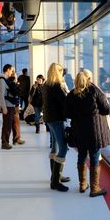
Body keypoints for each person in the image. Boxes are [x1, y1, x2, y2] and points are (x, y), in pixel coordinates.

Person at [66, 69, 110, 197]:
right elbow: (106, 110)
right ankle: (94, 188)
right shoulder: (95, 91)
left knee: (81, 155)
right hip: (94, 132)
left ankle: (82, 185)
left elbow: (67, 113)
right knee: (95, 158)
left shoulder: (72, 94)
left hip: (78, 131)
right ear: (90, 79)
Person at [42, 63, 71, 191]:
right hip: (57, 119)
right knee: (63, 148)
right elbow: (65, 102)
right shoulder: (56, 86)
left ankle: (55, 176)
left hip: (49, 119)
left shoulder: (46, 85)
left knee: (54, 147)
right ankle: (55, 181)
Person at [0, 64, 17, 150]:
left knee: (9, 125)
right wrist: (4, 108)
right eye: (12, 70)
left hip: (10, 106)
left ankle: (7, 142)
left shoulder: (6, 80)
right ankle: (4, 143)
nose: (12, 72)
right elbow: (1, 95)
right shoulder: (2, 80)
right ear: (8, 69)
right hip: (7, 106)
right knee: (6, 125)